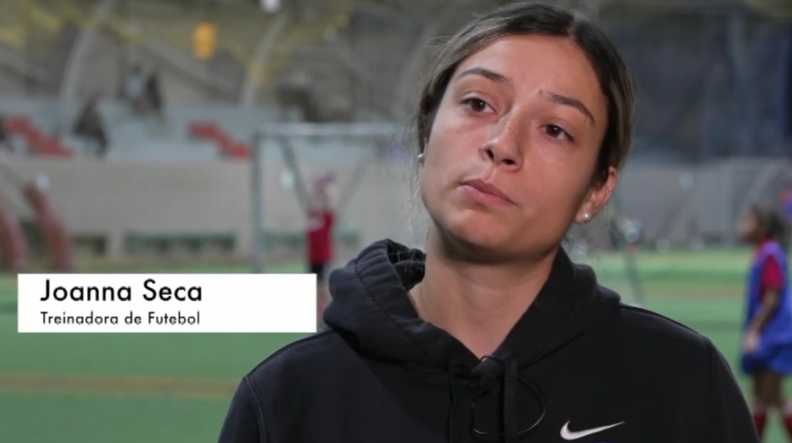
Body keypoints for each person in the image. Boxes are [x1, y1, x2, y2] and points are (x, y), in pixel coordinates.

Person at [217, 3, 758, 442]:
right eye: (477, 102)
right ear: (427, 133)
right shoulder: (285, 401)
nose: (502, 144)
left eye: (556, 130)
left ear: (597, 189)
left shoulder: (684, 387)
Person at [738, 202, 792, 440]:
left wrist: (754, 330)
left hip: (775, 336)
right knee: (761, 397)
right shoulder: (761, 251)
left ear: (764, 226)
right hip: (768, 336)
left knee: (771, 397)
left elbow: (772, 296)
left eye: (749, 220)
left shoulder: (770, 252)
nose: (743, 226)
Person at [305, 173, 335, 325]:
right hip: (312, 259)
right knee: (314, 289)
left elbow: (329, 202)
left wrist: (325, 190)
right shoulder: (313, 217)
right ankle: (317, 317)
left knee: (323, 288)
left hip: (323, 257)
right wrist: (316, 189)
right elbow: (313, 200)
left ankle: (330, 313)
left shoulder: (326, 218)